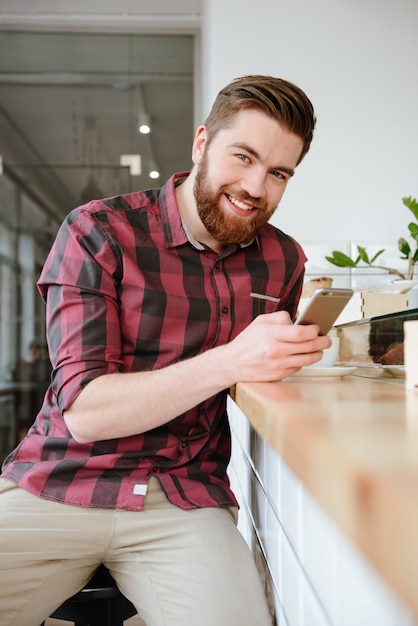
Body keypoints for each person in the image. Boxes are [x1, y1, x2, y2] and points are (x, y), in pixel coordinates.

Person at [0, 75, 330, 626]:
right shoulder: (97, 232)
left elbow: (263, 374)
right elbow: (85, 412)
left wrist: (298, 354)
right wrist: (232, 359)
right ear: (202, 143)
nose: (255, 186)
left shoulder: (283, 259)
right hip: (59, 481)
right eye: (242, 157)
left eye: (278, 174)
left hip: (184, 495)